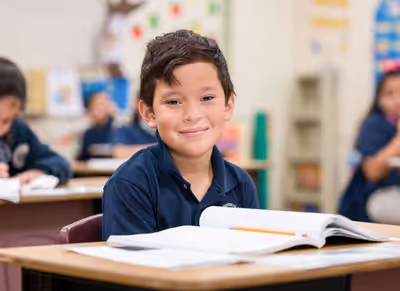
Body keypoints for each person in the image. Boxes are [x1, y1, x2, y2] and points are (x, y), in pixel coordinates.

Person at [102, 30, 259, 239]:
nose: (192, 115)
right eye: (173, 102)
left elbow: (251, 257)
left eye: (207, 97)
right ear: (149, 113)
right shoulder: (130, 184)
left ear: (228, 105)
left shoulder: (241, 184)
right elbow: (130, 268)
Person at [339, 68, 400, 223]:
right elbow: (373, 171)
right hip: (372, 200)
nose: (397, 100)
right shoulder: (376, 125)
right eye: (389, 94)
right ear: (379, 99)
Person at [0, 57, 71, 185]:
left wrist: (38, 173)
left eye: (6, 121)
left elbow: (60, 163)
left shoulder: (19, 132)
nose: (1, 129)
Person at [77, 86, 116, 161]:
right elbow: (83, 158)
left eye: (101, 105)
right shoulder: (88, 134)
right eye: (94, 105)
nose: (96, 110)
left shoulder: (118, 131)